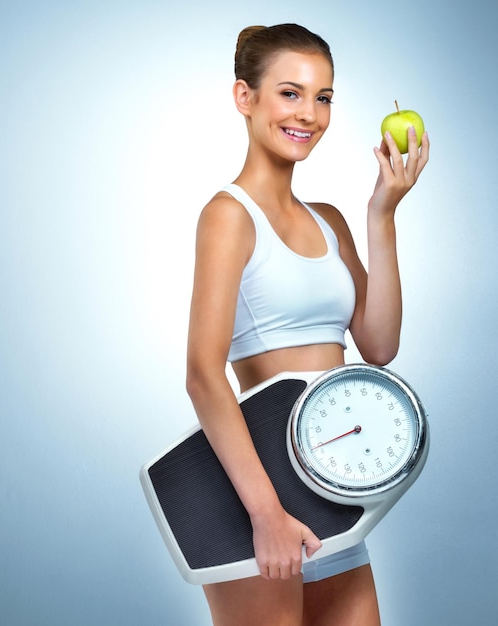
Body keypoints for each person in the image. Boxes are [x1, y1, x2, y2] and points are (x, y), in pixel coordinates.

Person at [185, 23, 429, 626]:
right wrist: (266, 515)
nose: (310, 114)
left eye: (323, 97)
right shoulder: (228, 216)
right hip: (257, 499)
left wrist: (382, 212)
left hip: (332, 493)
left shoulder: (329, 221)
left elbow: (379, 346)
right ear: (246, 98)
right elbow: (201, 374)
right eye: (290, 93)